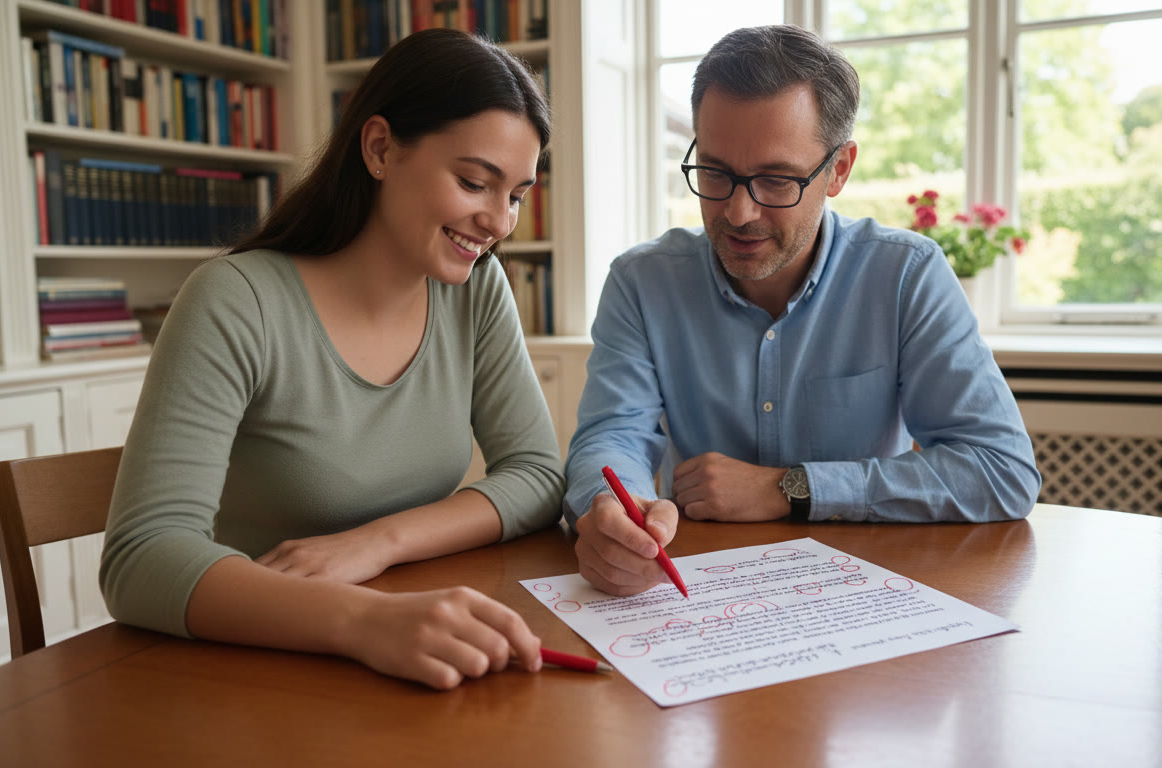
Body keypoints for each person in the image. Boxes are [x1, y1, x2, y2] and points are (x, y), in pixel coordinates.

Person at [101, 29, 565, 690]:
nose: (499, 222)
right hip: (249, 672)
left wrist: (379, 542)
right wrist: (366, 621)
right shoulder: (236, 300)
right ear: (379, 148)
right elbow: (141, 557)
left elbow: (538, 474)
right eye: (474, 182)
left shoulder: (476, 290)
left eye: (515, 195)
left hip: (405, 647)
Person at [563, 25, 1040, 596]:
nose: (739, 213)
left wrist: (790, 488)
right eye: (715, 173)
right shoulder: (642, 282)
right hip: (702, 596)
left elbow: (1001, 470)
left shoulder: (905, 275)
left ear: (839, 169)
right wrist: (611, 507)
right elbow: (611, 436)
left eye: (775, 180)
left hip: (863, 595)